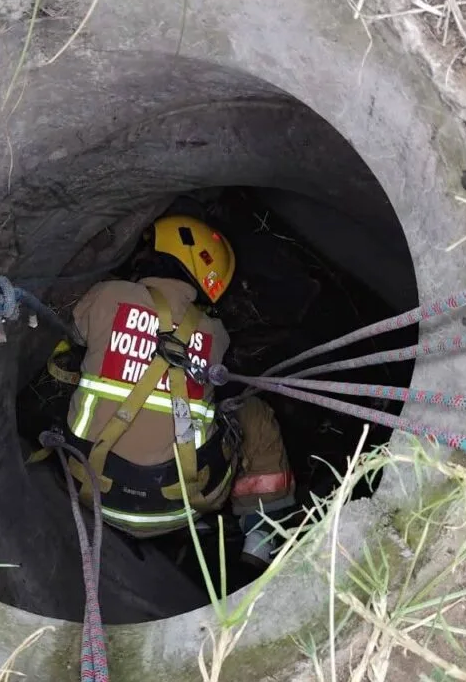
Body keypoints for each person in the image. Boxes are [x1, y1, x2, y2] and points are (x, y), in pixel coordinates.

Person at [59, 215, 296, 571]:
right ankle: (259, 536)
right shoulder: (216, 333)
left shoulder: (106, 296)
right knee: (253, 412)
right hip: (183, 504)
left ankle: (197, 528)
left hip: (86, 487)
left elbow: (75, 337)